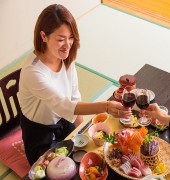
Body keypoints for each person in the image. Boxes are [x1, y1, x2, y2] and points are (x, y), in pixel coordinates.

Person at [18, 4, 131, 165]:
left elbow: (74, 98)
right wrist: (106, 106)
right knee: (59, 170)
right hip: (39, 132)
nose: (68, 45)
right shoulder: (33, 72)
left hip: (63, 120)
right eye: (60, 39)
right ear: (44, 36)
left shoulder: (65, 56)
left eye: (70, 37)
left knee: (89, 156)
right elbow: (65, 105)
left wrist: (84, 134)